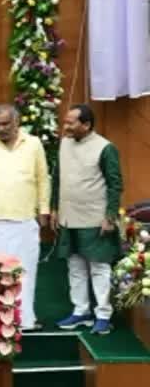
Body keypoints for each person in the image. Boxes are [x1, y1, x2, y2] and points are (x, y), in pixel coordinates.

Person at [0, 104, 50, 331]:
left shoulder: (33, 143)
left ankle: (25, 320)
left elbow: (43, 179)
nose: (1, 128)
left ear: (17, 122)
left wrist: (44, 209)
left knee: (26, 271)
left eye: (6, 124)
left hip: (25, 219)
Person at [53, 104, 123, 335]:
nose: (66, 127)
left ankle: (103, 314)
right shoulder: (64, 144)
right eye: (65, 122)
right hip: (68, 218)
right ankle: (81, 311)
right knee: (75, 267)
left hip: (95, 220)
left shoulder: (105, 148)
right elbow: (57, 178)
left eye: (71, 123)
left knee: (99, 268)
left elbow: (115, 185)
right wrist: (54, 208)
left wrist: (110, 216)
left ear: (86, 125)